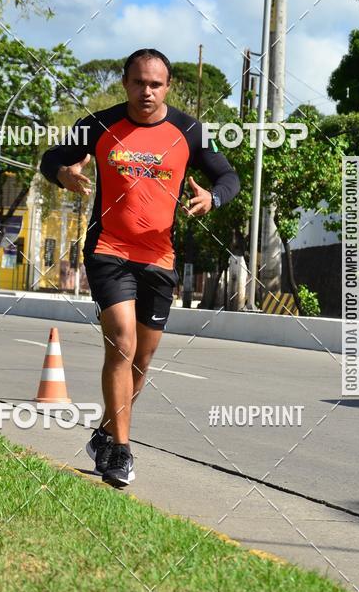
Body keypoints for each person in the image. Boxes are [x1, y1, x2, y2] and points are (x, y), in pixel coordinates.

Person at [40, 49, 240, 487]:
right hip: (109, 250)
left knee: (141, 361)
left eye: (155, 84)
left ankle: (105, 434)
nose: (146, 91)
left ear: (168, 87)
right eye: (138, 83)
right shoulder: (98, 125)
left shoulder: (189, 131)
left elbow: (229, 177)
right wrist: (63, 175)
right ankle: (121, 452)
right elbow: (51, 158)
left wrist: (213, 198)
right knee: (122, 343)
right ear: (125, 83)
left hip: (159, 257)